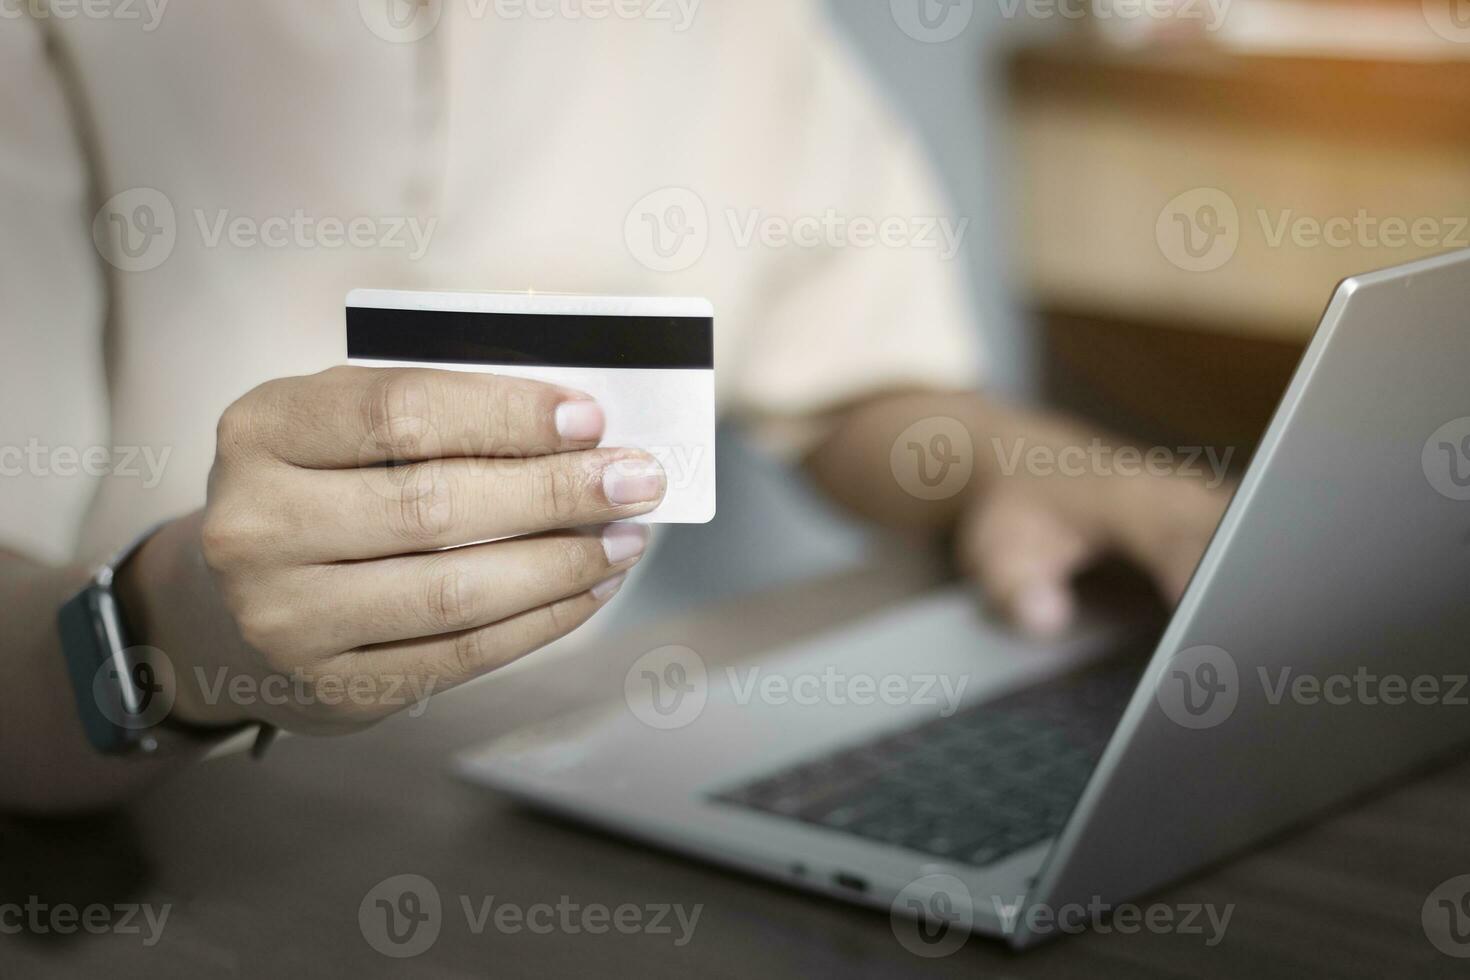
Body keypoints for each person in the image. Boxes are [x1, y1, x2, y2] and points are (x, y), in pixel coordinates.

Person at [0, 1, 1227, 813]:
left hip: (531, 796)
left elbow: (858, 380)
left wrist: (1037, 463)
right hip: (150, 859)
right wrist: (172, 636)